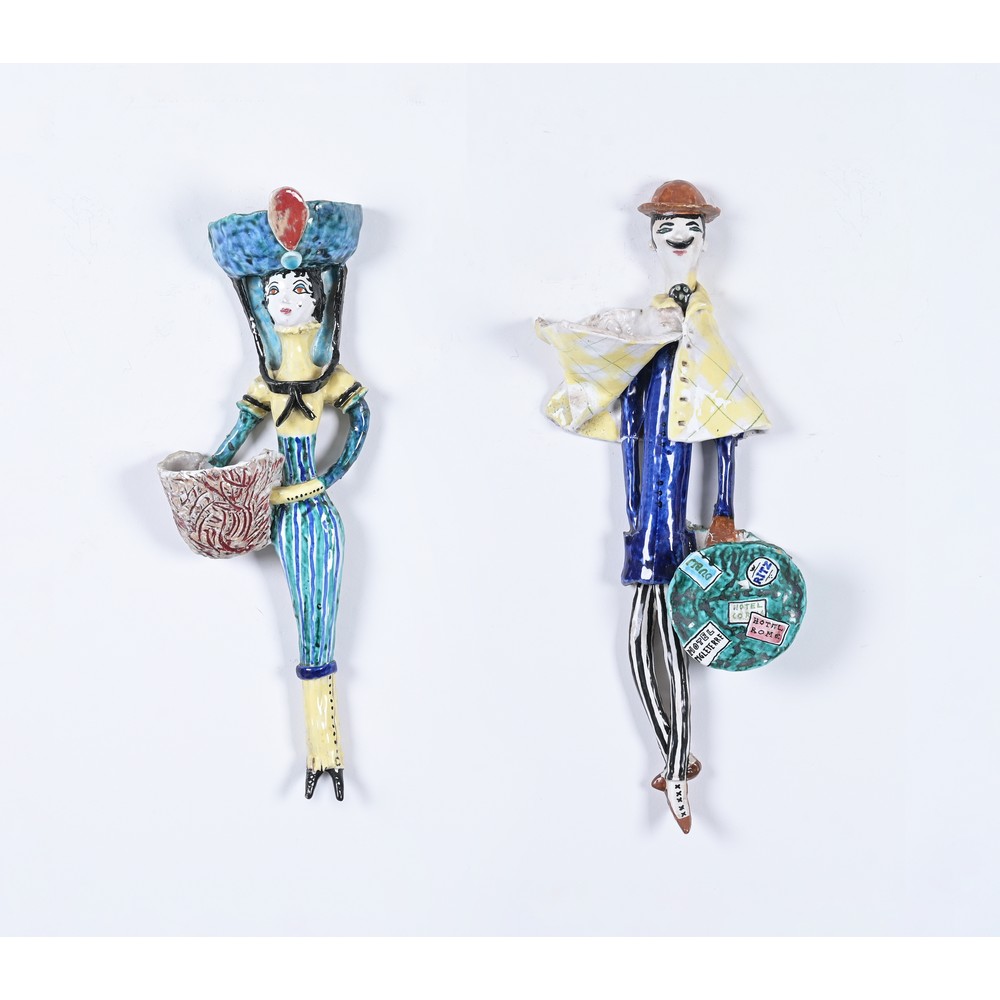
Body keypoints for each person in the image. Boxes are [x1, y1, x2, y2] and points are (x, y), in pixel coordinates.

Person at [537, 180, 770, 832]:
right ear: (649, 238)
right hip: (643, 508)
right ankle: (677, 758)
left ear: (706, 237)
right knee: (644, 634)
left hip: (675, 516)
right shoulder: (645, 327)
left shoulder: (704, 326)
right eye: (666, 227)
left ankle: (676, 764)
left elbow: (728, 426)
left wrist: (723, 510)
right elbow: (627, 418)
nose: (678, 237)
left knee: (664, 635)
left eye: (689, 227)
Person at [207, 192, 369, 801]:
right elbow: (235, 437)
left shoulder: (329, 376)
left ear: (319, 299)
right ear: (260, 303)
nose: (285, 299)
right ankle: (320, 751)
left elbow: (362, 420)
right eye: (273, 291)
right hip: (278, 511)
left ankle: (326, 752)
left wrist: (331, 476)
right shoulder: (268, 381)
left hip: (312, 511)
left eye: (298, 288)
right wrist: (207, 473)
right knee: (305, 623)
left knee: (317, 624)